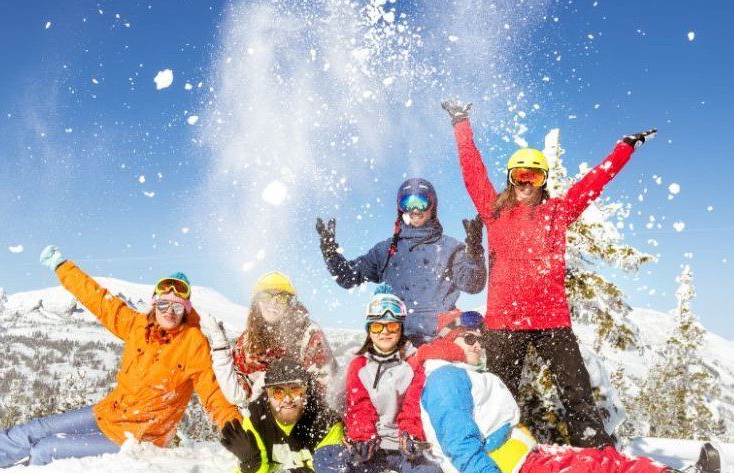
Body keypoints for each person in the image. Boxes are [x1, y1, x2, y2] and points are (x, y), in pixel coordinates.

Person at [441, 99, 657, 447]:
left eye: (535, 176)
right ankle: (496, 455)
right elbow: (472, 171)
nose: (527, 183)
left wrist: (623, 149)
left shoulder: (558, 212)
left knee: (577, 392)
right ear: (511, 179)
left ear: (544, 181)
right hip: (504, 323)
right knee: (500, 396)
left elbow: (594, 182)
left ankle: (596, 451)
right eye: (520, 176)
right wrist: (461, 123)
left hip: (551, 321)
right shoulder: (494, 212)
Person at [0, 245, 241, 473]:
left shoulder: (193, 343)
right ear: (154, 304)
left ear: (187, 310)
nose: (169, 312)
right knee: (33, 430)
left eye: (177, 307)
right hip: (107, 412)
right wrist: (62, 266)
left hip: (137, 437)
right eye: (163, 303)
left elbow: (213, 394)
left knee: (45, 449)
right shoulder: (137, 326)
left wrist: (235, 430)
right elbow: (97, 299)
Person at [415, 309, 722, 473]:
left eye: (481, 339)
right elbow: (460, 447)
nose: (479, 346)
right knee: (599, 468)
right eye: (470, 339)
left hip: (525, 460)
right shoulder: (446, 379)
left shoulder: (460, 373)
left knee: (602, 456)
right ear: (447, 341)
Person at [314, 285, 445, 473]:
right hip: (372, 447)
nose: (384, 332)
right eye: (377, 326)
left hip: (404, 446)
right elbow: (359, 405)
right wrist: (362, 436)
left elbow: (413, 403)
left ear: (400, 328)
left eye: (391, 326)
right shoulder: (359, 365)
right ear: (368, 329)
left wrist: (410, 434)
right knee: (324, 458)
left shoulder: (414, 361)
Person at [315, 178, 487, 346]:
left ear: (433, 205)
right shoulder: (386, 251)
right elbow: (348, 277)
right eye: (407, 203)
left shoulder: (450, 248)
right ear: (400, 208)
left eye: (421, 202)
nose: (415, 209)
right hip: (397, 341)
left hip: (441, 339)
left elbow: (473, 285)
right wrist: (330, 253)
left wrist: (474, 253)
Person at [202, 271, 340, 409]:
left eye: (282, 298)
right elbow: (238, 392)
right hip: (269, 415)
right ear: (257, 302)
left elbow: (326, 391)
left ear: (290, 303)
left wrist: (278, 382)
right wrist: (220, 346)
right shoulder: (250, 339)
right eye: (266, 296)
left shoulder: (309, 335)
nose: (273, 303)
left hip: (304, 415)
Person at [218, 358, 343, 473]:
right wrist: (251, 463)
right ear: (268, 395)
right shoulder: (256, 419)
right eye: (278, 392)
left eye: (295, 390)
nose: (287, 400)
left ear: (306, 391)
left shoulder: (325, 422)